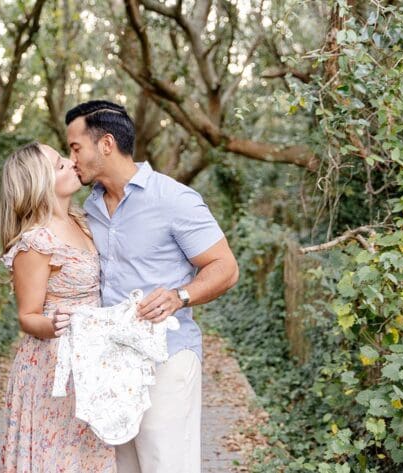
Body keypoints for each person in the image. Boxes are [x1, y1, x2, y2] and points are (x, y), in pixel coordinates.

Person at [64, 100, 239, 473]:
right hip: (110, 362)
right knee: (125, 465)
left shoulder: (173, 199)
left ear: (106, 144)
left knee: (166, 464)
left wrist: (181, 296)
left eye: (75, 147)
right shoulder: (89, 206)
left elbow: (225, 267)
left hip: (167, 355)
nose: (72, 158)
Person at [0, 142, 115, 472]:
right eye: (59, 164)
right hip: (53, 366)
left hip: (92, 362)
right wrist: (54, 326)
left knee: (87, 457)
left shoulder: (83, 220)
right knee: (58, 459)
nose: (70, 162)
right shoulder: (37, 242)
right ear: (39, 184)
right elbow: (27, 315)